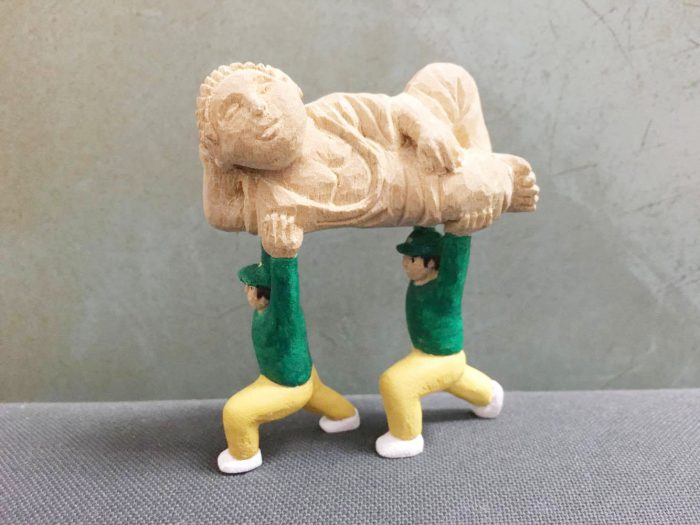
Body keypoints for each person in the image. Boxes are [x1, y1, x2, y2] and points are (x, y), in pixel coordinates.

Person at [218, 214, 359, 474]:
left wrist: (286, 256)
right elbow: (268, 265)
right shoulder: (263, 308)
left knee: (236, 412)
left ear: (266, 294)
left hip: (288, 385)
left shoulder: (281, 312)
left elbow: (285, 286)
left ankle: (244, 454)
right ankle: (346, 415)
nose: (246, 292)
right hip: (304, 375)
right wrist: (269, 236)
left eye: (251, 287)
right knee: (319, 395)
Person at [375, 225, 503, 458]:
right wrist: (424, 216)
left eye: (412, 259)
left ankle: (406, 436)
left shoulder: (446, 288)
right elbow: (425, 222)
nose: (404, 263)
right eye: (405, 257)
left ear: (432, 263)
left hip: (443, 359)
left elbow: (455, 265)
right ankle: (489, 395)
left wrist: (460, 232)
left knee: (395, 383)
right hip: (425, 353)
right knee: (456, 379)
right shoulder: (418, 279)